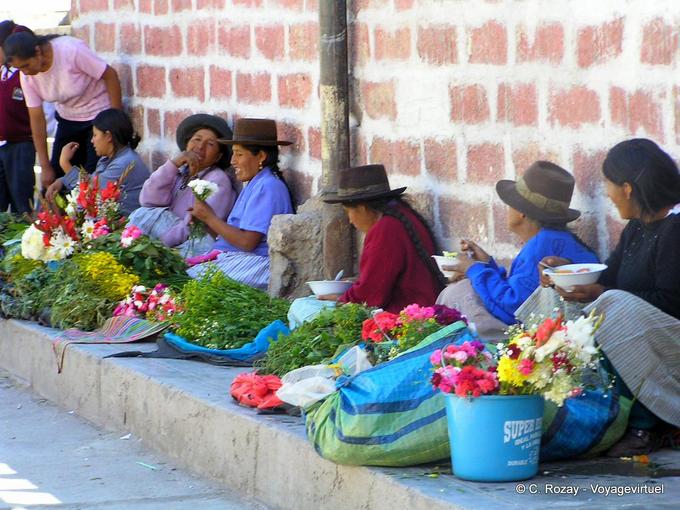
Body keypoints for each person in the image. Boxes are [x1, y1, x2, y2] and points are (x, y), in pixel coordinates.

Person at [539, 139, 680, 456]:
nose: (607, 193)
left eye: (608, 184)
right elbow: (610, 277)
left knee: (613, 305)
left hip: (671, 346)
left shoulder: (675, 230)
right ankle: (566, 395)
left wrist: (604, 293)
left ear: (628, 188)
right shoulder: (636, 228)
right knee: (559, 295)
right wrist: (569, 272)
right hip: (648, 335)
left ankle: (646, 426)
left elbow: (671, 302)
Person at [437, 161, 598, 341]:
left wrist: (473, 269)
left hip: (543, 336)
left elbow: (514, 309)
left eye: (511, 204)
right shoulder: (556, 239)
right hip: (558, 328)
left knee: (458, 294)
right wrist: (486, 264)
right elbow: (523, 289)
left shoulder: (542, 244)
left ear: (522, 212)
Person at [2, 30, 122, 189]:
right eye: (20, 69)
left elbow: (110, 75)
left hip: (98, 116)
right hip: (68, 120)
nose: (25, 72)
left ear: (38, 51)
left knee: (94, 177)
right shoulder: (27, 77)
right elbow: (37, 119)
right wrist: (45, 166)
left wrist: (115, 121)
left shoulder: (70, 50)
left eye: (26, 65)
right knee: (55, 182)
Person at [320, 164, 447, 313]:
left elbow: (369, 297)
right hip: (421, 307)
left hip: (408, 315)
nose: (350, 221)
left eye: (349, 212)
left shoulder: (386, 230)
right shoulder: (401, 215)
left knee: (306, 307)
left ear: (362, 207)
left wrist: (341, 299)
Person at [186, 118, 295, 289]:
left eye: (239, 154)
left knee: (190, 280)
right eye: (233, 153)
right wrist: (206, 223)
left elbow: (247, 243)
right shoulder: (255, 183)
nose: (232, 161)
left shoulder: (268, 186)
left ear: (261, 156)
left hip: (257, 263)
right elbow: (233, 239)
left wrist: (211, 218)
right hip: (240, 257)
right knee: (183, 272)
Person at [128, 114, 237, 256]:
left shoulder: (218, 180)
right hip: (169, 235)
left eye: (210, 144)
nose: (200, 146)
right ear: (186, 144)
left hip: (193, 240)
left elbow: (197, 226)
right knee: (142, 212)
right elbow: (148, 201)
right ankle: (129, 247)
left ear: (218, 157)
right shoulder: (180, 170)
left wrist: (161, 245)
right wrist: (172, 164)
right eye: (197, 139)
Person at [45, 108, 150, 216]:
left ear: (108, 136)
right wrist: (62, 181)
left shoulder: (123, 162)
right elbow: (92, 182)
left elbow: (90, 194)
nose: (92, 141)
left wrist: (65, 164)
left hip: (130, 228)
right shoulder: (108, 158)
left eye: (95, 135)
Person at [0, 21, 35, 213]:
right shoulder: (2, 73)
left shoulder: (24, 75)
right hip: (1, 144)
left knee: (21, 201)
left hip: (20, 145)